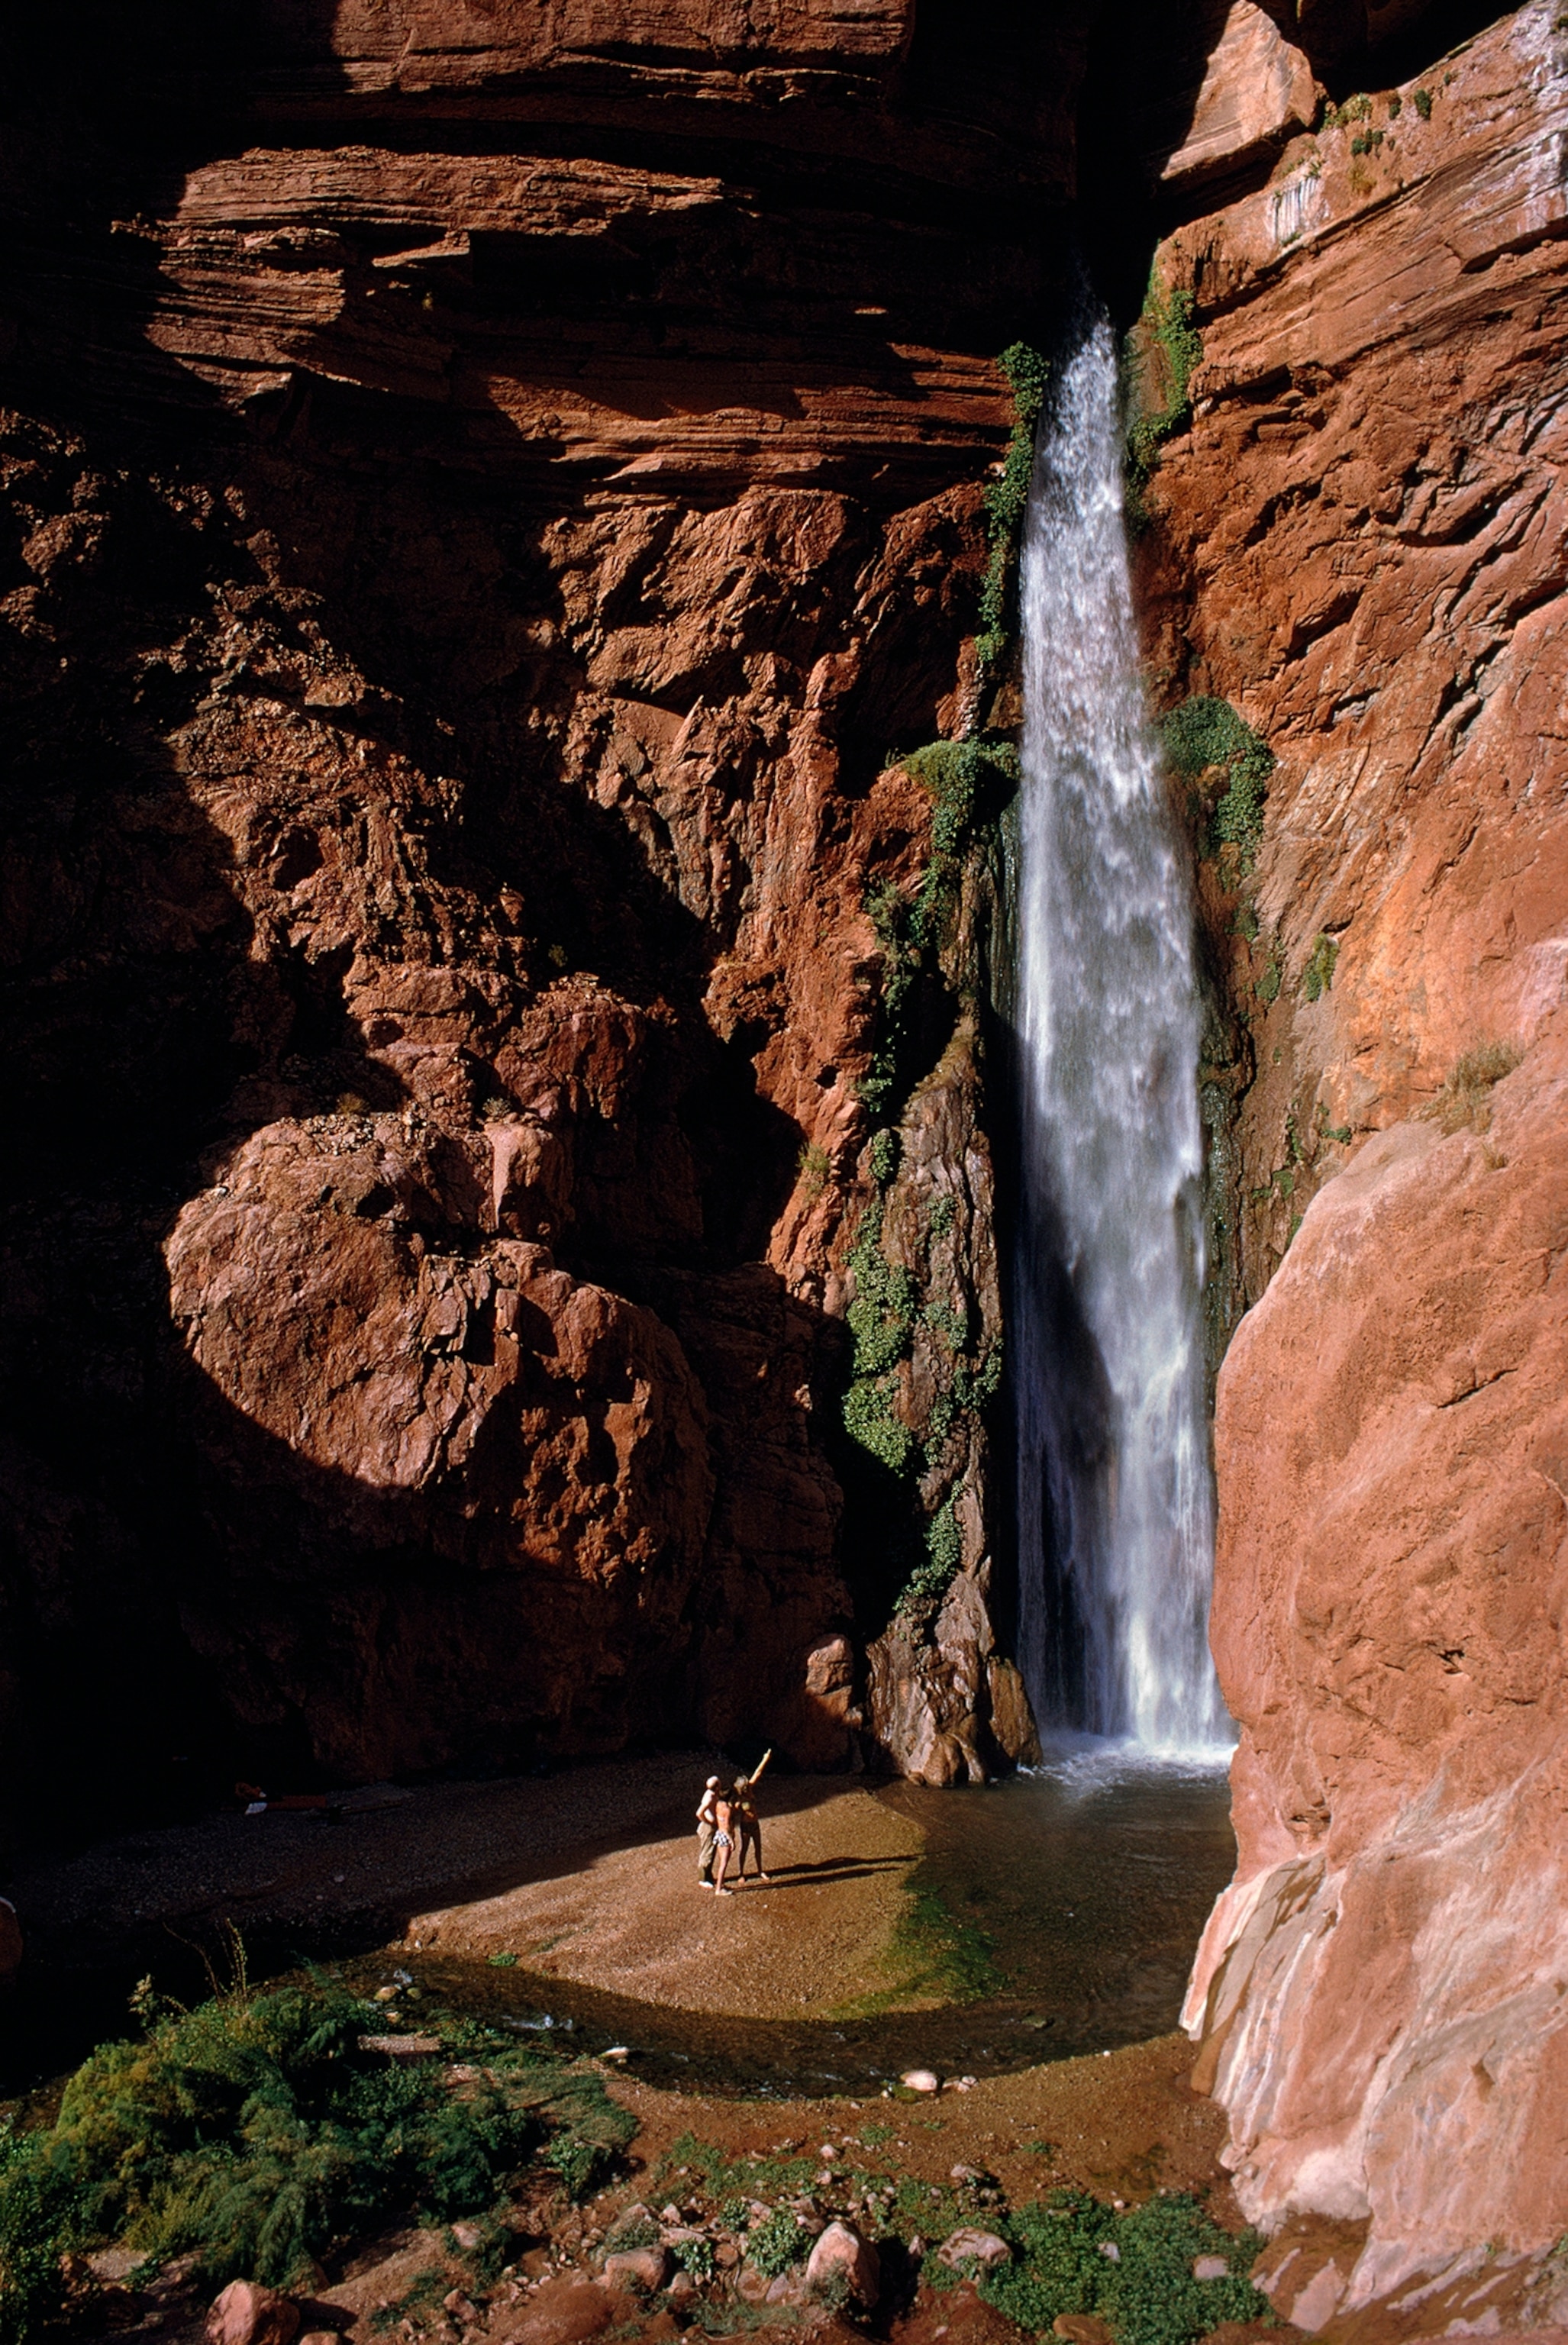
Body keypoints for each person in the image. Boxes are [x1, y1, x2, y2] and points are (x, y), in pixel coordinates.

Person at [731, 1753, 771, 1882]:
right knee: (745, 1849)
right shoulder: (739, 1799)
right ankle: (741, 1873)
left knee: (758, 1848)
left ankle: (760, 1871)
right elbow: (730, 1809)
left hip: (755, 1823)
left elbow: (758, 1772)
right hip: (746, 1826)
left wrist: (765, 1758)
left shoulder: (750, 1789)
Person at [711, 1784, 737, 1897]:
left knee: (722, 1861)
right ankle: (718, 1889)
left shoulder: (718, 1805)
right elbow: (727, 1826)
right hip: (725, 1835)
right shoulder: (727, 1809)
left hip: (719, 1834)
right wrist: (732, 1840)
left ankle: (720, 1885)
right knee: (724, 1864)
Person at [695, 1775, 721, 1888]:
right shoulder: (710, 1797)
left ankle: (708, 1876)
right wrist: (707, 1822)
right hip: (708, 1828)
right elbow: (699, 1813)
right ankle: (703, 1879)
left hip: (711, 1827)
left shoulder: (712, 1794)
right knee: (707, 1853)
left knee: (710, 1851)